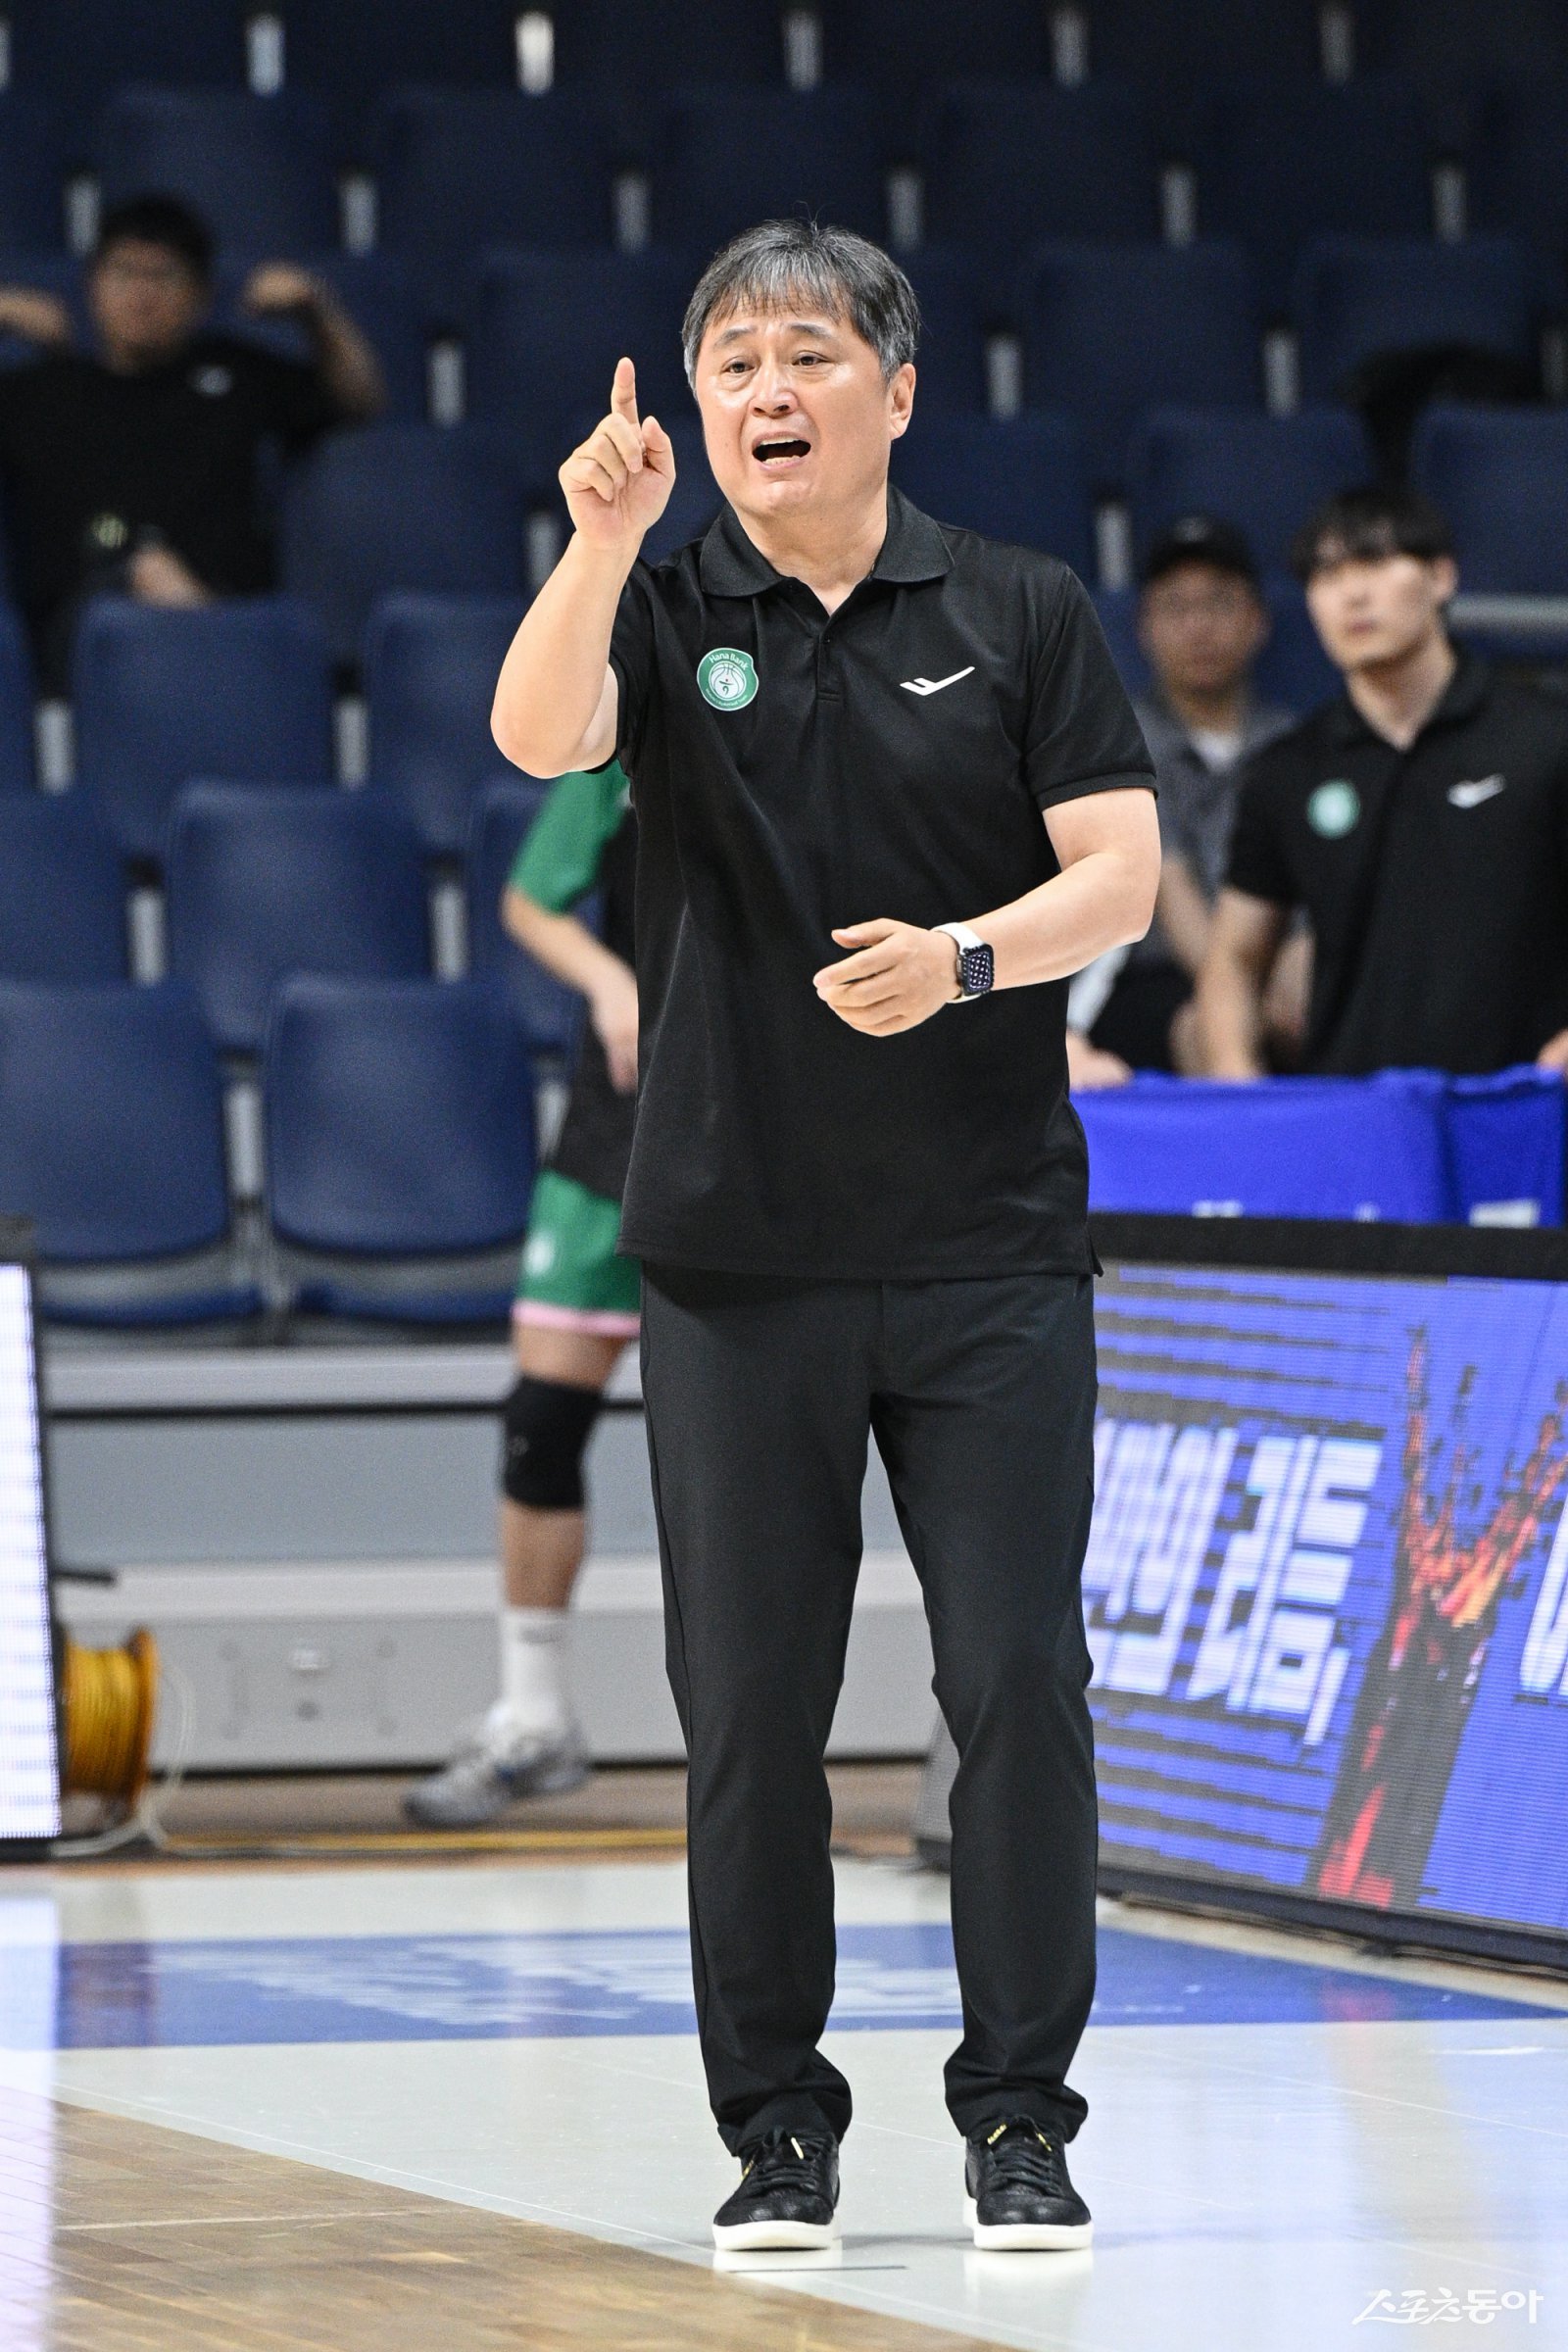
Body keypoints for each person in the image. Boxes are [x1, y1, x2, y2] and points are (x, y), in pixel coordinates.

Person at [490, 220, 1160, 2254]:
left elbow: (1119, 873)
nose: (763, 391)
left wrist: (966, 958)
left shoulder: (1019, 606)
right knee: (749, 1712)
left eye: (803, 353)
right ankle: (777, 2128)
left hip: (986, 1247)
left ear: (896, 387)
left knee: (1017, 1681)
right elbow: (537, 740)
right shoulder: (659, 599)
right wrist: (599, 544)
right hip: (732, 1250)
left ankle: (1020, 2118)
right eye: (730, 365)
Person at [406, 761, 639, 1829]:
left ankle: (767, 1750)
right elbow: (530, 901)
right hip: (618, 1117)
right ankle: (536, 1718)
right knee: (539, 1424)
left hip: (771, 1124)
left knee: (761, 1443)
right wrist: (609, 979)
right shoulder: (624, 734)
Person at [1198, 483, 1568, 1080]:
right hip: (1355, 1111)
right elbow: (1235, 958)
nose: (1353, 594)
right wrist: (1238, 1090)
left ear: (1441, 576)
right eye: (1326, 575)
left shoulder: (1545, 737)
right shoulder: (1286, 771)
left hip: (1523, 1103)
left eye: (1373, 562)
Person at [0, 193, 383, 691]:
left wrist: (316, 312)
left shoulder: (235, 371)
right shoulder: (37, 391)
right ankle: (242, 669)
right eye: (124, 272)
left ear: (201, 297)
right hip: (83, 635)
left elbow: (360, 402)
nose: (141, 294)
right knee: (147, 568)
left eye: (163, 276)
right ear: (92, 285)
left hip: (229, 604)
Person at [1067, 515, 1297, 1083]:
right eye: (1175, 607)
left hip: (1275, 962)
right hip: (1148, 976)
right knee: (1208, 1028)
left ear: (1258, 621)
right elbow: (1170, 887)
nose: (1198, 627)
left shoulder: (1293, 745)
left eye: (1219, 604)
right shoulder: (1114, 737)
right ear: (1144, 627)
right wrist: (1240, 996)